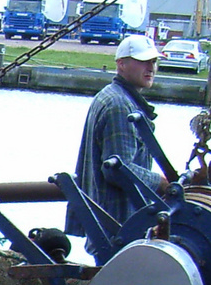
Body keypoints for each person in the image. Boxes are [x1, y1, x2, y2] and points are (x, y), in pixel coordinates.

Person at [64, 34, 176, 255]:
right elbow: (116, 169)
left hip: (108, 228)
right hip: (117, 228)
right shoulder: (119, 106)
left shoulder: (112, 96)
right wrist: (161, 183)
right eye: (143, 61)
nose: (151, 67)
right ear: (121, 64)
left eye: (154, 61)